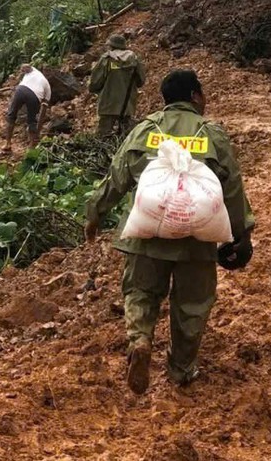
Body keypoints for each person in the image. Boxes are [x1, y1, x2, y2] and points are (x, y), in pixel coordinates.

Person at [84, 69, 255, 395]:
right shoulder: (212, 134)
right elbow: (231, 186)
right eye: (202, 93)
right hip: (196, 238)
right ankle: (181, 369)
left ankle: (141, 340)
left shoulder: (145, 130)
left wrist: (95, 214)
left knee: (140, 293)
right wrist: (241, 232)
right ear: (194, 96)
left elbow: (116, 177)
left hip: (146, 235)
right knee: (192, 304)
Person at [88, 34, 146, 137]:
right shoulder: (134, 59)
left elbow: (95, 83)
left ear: (111, 46)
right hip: (127, 105)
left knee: (103, 137)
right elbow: (141, 81)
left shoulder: (107, 59)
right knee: (127, 137)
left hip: (108, 104)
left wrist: (94, 89)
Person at [4, 63, 51, 150]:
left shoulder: (35, 71)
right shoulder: (48, 87)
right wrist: (38, 130)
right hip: (35, 97)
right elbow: (43, 111)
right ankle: (31, 147)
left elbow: (25, 66)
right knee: (32, 121)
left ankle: (8, 144)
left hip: (21, 90)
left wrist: (21, 72)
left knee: (11, 115)